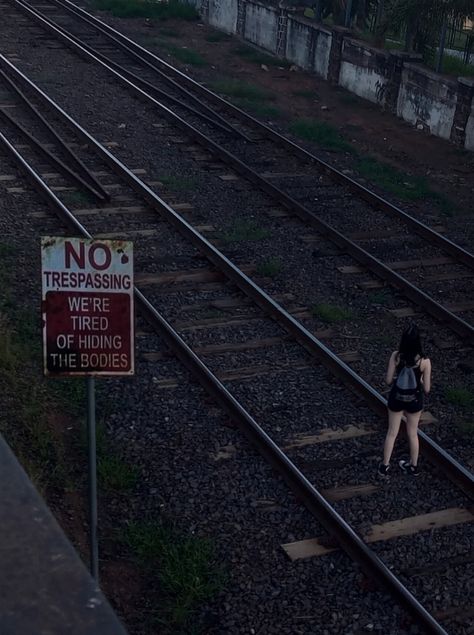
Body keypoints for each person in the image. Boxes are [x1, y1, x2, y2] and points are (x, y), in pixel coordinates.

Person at [378, 324, 431, 477]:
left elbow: (388, 380)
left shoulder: (396, 356)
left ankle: (385, 466)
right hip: (414, 401)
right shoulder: (425, 361)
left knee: (391, 433)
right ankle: (413, 466)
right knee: (413, 434)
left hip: (396, 398)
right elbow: (427, 389)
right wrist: (419, 379)